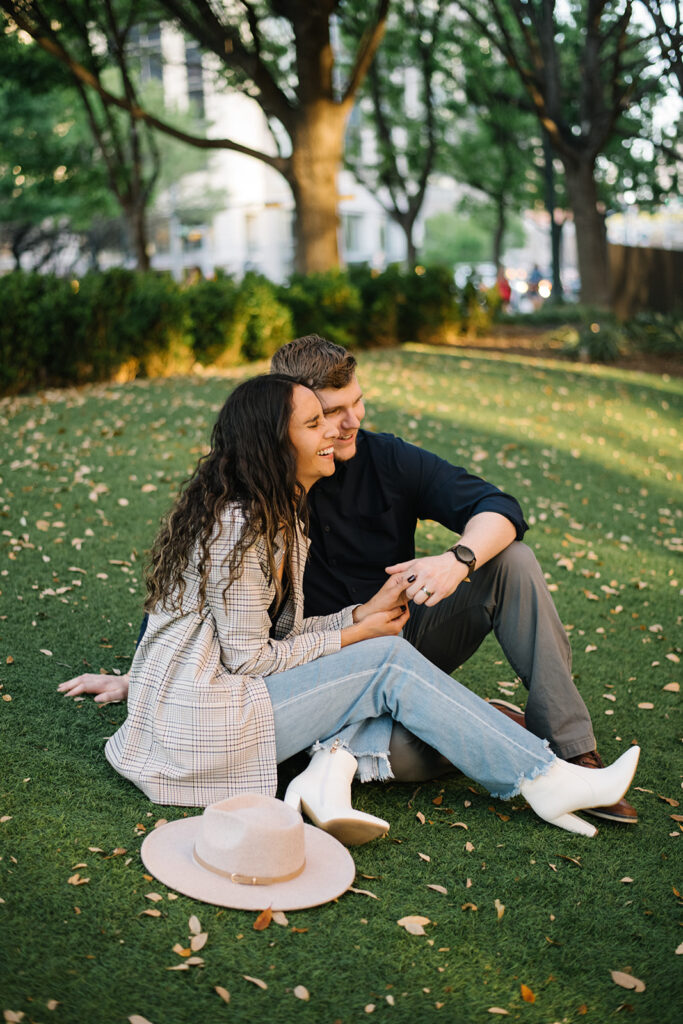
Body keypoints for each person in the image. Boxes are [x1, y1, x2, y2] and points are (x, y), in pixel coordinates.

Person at [61, 337, 637, 824]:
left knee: (508, 565)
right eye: (322, 418)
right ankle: (491, 748)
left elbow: (498, 506)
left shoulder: (332, 481)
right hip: (290, 683)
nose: (348, 423)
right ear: (279, 429)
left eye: (354, 404)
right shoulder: (249, 513)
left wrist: (450, 564)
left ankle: (561, 756)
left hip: (364, 649)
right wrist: (143, 678)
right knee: (414, 748)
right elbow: (206, 621)